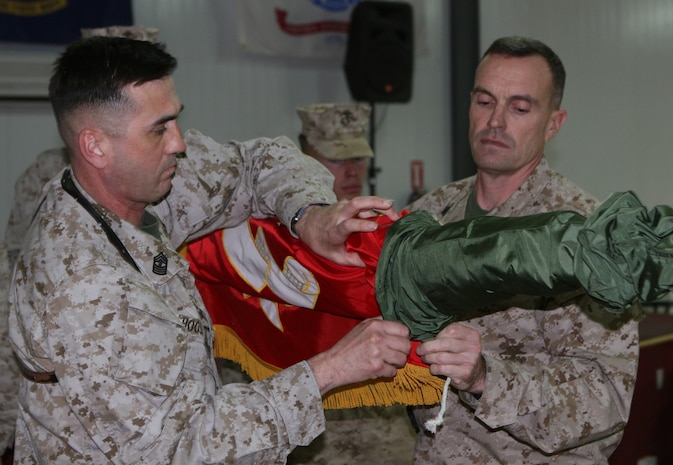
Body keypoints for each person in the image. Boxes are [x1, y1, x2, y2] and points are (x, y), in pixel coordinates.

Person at [7, 36, 412, 465]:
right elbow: (180, 450)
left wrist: (307, 215)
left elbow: (259, 160)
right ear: (95, 146)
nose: (179, 143)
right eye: (159, 128)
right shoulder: (83, 289)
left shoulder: (139, 182)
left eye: (175, 121)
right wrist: (330, 371)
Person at [405, 35, 638, 464]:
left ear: (553, 123)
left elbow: (604, 399)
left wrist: (484, 379)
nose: (495, 121)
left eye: (520, 108)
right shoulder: (428, 216)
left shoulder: (585, 240)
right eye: (484, 101)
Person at [297, 103, 372, 200]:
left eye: (358, 158)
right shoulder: (290, 214)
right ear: (307, 160)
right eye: (336, 160)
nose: (352, 172)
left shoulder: (380, 214)